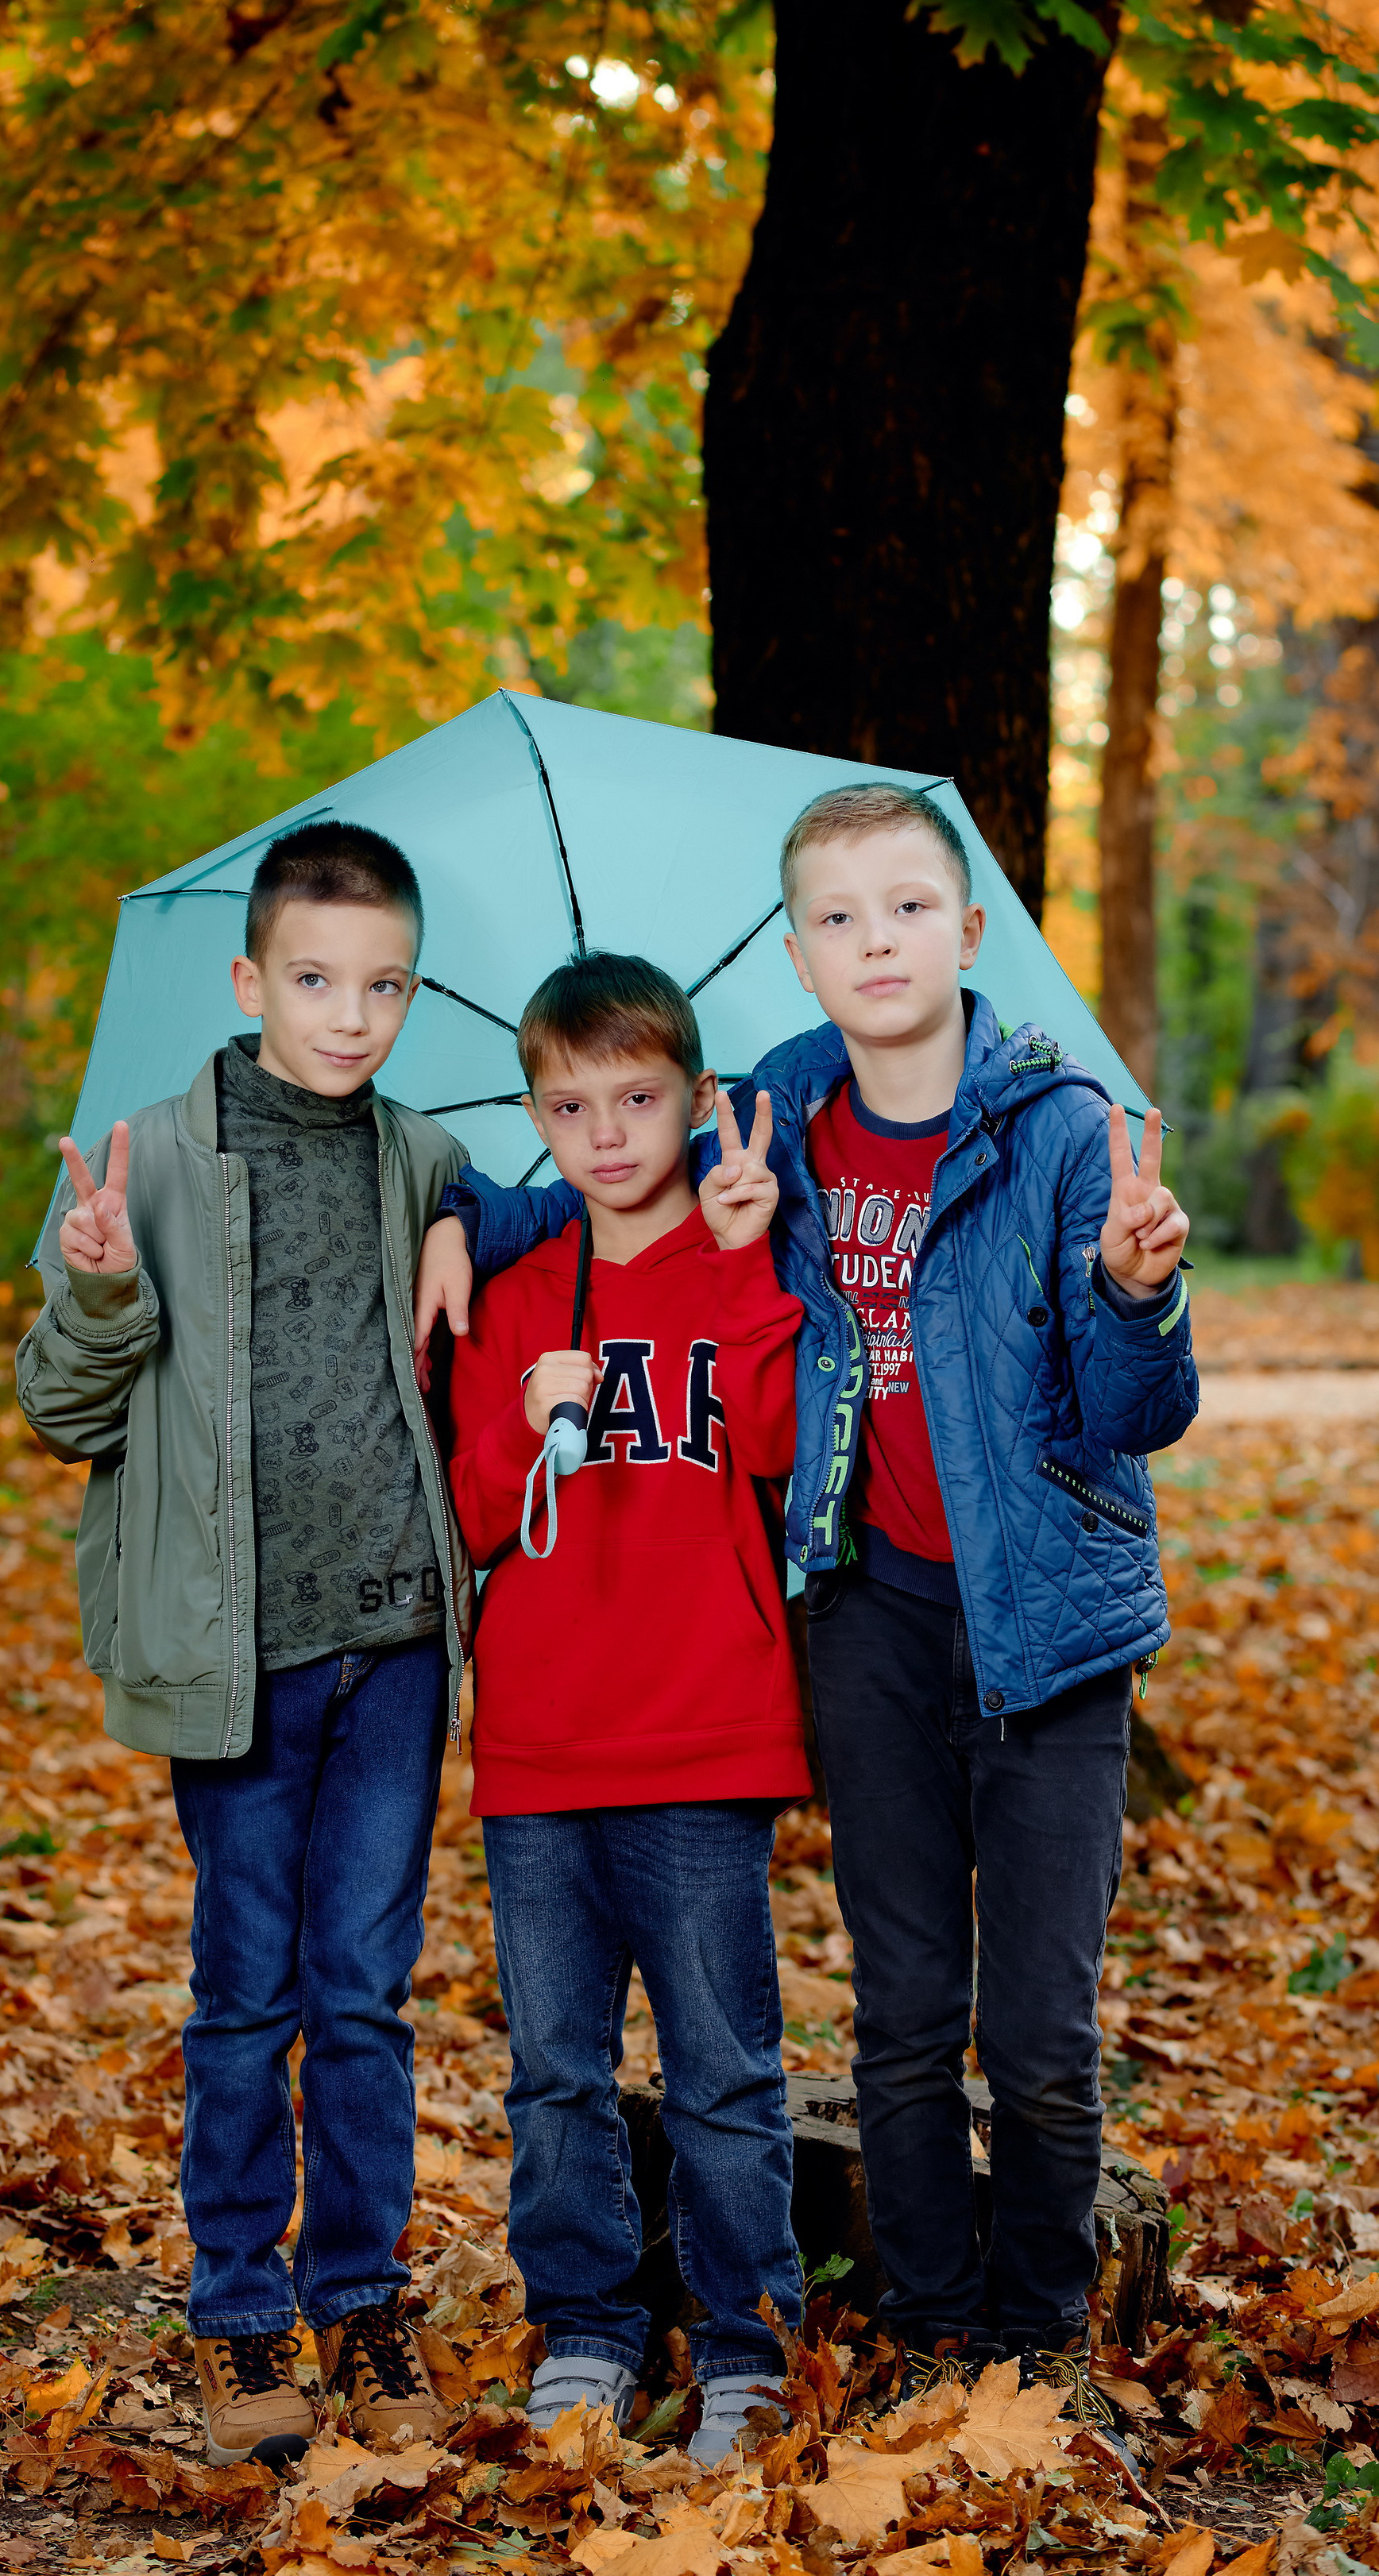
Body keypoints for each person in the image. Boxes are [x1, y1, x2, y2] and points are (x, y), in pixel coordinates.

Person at [416, 786, 1196, 2420]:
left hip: (1044, 1617)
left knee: (1039, 2026)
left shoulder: (1057, 1127)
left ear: (967, 933)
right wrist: (452, 1215)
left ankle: (1033, 2330)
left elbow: (1133, 1411)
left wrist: (1138, 1290)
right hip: (866, 1611)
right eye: (838, 920)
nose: (875, 943)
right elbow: (592, 1174)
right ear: (798, 955)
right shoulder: (771, 1110)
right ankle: (924, 2317)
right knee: (905, 2005)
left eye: (907, 910)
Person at [17, 824, 471, 2468]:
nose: (350, 1016)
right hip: (237, 1657)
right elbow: (60, 1407)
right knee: (244, 1994)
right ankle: (234, 2312)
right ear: (249, 979)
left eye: (384, 985)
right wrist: (99, 1296)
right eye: (315, 981)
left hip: (397, 1648)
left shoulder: (420, 1155)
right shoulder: (144, 1159)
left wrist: (463, 1222)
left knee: (365, 1999)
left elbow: (517, 1225)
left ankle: (358, 2300)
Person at [447, 952, 812, 2468]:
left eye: (639, 1098)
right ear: (539, 1116)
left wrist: (737, 1260)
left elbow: (788, 1444)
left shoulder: (746, 1265)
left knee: (725, 2065)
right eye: (571, 1105)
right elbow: (466, 1515)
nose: (607, 1133)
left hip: (706, 1727)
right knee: (557, 2070)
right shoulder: (515, 1294)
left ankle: (747, 2335)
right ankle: (586, 2325)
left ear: (695, 1101)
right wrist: (526, 1416)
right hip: (541, 1746)